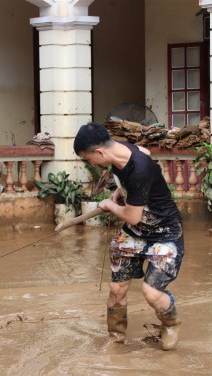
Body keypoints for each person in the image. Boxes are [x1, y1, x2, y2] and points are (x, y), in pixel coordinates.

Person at [73, 121, 185, 351]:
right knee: (117, 290)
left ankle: (171, 322)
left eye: (89, 159)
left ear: (100, 152)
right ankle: (116, 338)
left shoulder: (140, 170)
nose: (91, 164)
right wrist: (121, 191)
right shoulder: (119, 150)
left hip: (164, 232)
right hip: (136, 233)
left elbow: (131, 216)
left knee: (151, 292)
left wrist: (108, 204)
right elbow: (144, 150)